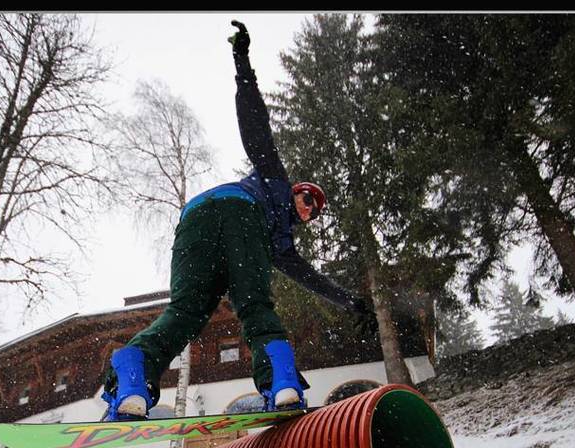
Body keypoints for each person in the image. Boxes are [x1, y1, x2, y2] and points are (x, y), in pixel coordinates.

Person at [101, 20, 376, 422]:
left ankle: (131, 383)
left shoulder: (282, 244)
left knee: (185, 313)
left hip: (194, 221)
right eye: (306, 198)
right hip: (238, 212)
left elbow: (311, 278)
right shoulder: (272, 185)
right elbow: (256, 130)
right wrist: (243, 66)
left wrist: (351, 302)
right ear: (295, 190)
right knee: (254, 306)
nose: (307, 208)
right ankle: (281, 385)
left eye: (313, 212)